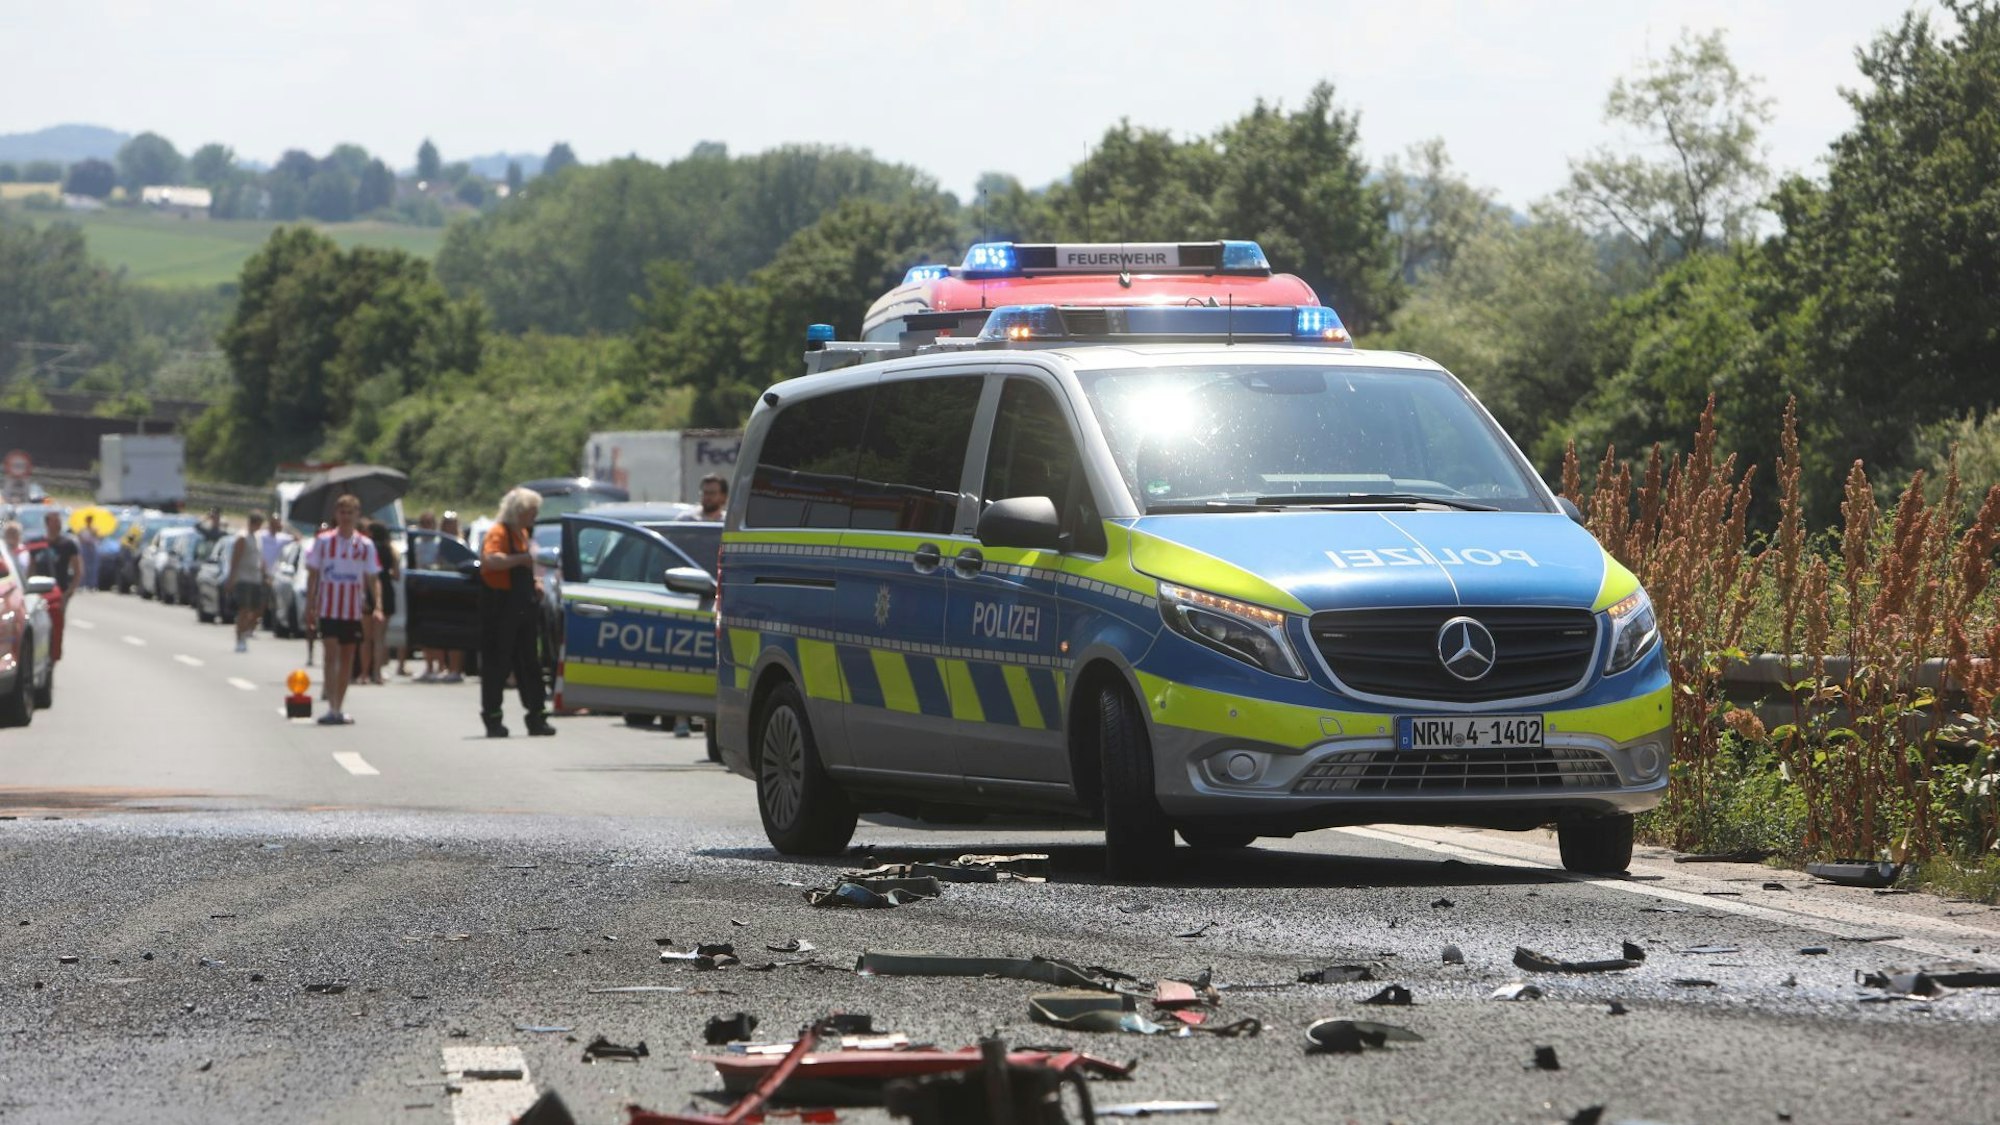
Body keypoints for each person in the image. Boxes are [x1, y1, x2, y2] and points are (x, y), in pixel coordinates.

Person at [479, 487, 554, 738]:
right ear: (519, 511)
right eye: (532, 512)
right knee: (497, 664)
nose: (535, 516)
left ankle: (537, 717)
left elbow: (525, 565)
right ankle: (493, 719)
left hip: (524, 608)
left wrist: (535, 584)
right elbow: (490, 560)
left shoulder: (522, 533)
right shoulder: (499, 532)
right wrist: (518, 560)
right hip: (501, 609)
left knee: (530, 664)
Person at [304, 494, 382, 726]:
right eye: (343, 512)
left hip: (352, 609)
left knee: (347, 658)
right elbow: (313, 574)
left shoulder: (365, 545)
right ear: (336, 515)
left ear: (357, 515)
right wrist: (310, 603)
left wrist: (377, 605)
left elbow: (372, 577)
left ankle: (339, 706)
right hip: (329, 607)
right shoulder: (324, 542)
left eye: (350, 513)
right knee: (330, 654)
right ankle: (331, 704)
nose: (346, 517)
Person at [31, 512, 81, 662]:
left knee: (56, 626)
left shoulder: (68, 545)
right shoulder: (37, 544)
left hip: (59, 593)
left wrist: (69, 592)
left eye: (59, 523)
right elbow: (30, 569)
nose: (58, 526)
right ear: (47, 524)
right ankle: (37, 656)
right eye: (54, 522)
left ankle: (52, 657)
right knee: (37, 626)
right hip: (38, 593)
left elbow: (77, 570)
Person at [364, 520, 403, 681]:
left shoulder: (368, 549)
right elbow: (397, 575)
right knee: (380, 637)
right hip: (386, 591)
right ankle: (377, 673)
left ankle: (364, 673)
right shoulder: (391, 550)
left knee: (367, 638)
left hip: (368, 590)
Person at [430, 511, 465, 683]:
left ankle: (456, 668)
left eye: (452, 523)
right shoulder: (441, 543)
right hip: (442, 589)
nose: (449, 526)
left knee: (456, 632)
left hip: (458, 590)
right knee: (440, 630)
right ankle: (441, 666)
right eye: (446, 523)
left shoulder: (460, 543)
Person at [228, 512, 269, 653]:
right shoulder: (242, 537)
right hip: (243, 578)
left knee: (255, 609)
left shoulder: (258, 538)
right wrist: (231, 578)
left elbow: (260, 558)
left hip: (255, 578)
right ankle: (240, 638)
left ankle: (246, 632)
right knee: (243, 610)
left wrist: (265, 575)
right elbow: (235, 560)